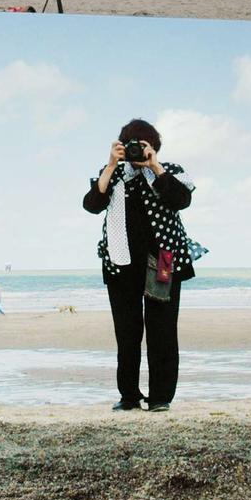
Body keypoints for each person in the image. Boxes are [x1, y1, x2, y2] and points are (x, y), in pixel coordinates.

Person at [82, 119, 199, 413]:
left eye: (143, 145)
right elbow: (92, 204)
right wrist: (110, 165)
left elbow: (180, 200)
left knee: (162, 330)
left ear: (154, 147)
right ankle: (129, 396)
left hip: (162, 261)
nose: (137, 151)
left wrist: (155, 166)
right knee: (127, 332)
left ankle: (160, 397)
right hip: (121, 263)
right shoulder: (115, 175)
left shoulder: (169, 171)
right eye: (132, 145)